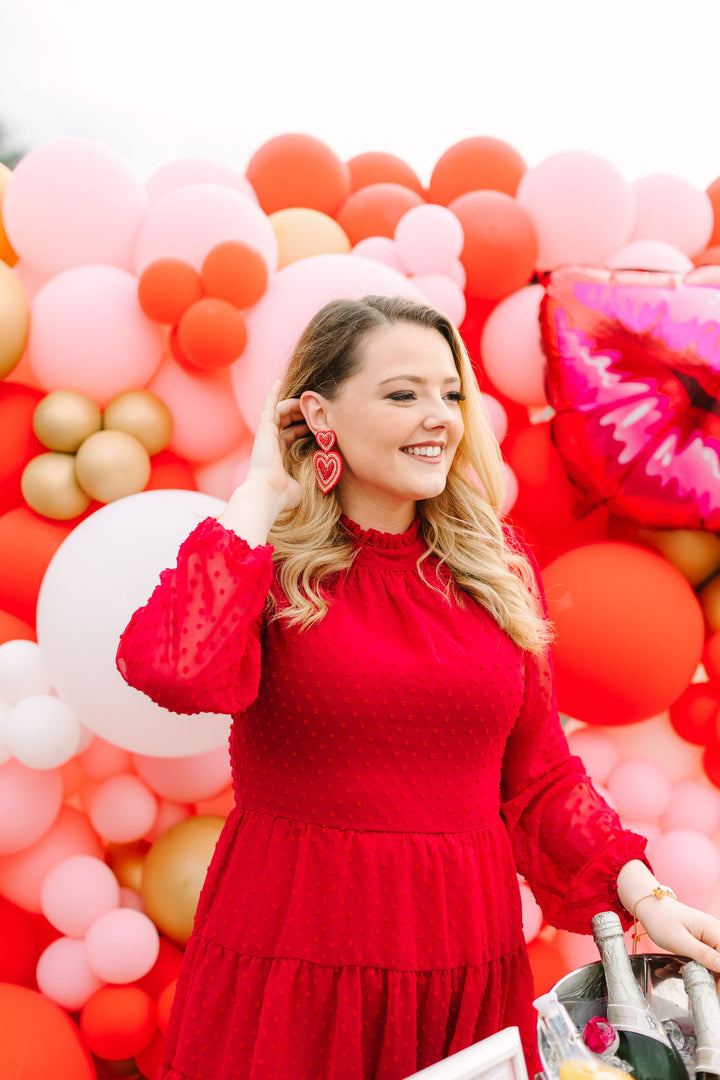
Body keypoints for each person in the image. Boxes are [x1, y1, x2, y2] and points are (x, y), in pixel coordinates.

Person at [116, 295, 720, 1080]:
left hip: (460, 955)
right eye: (404, 394)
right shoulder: (260, 559)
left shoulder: (495, 570)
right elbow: (173, 669)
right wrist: (263, 489)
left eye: (451, 393)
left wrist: (644, 895)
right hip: (293, 954)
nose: (439, 416)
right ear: (316, 413)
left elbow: (538, 777)